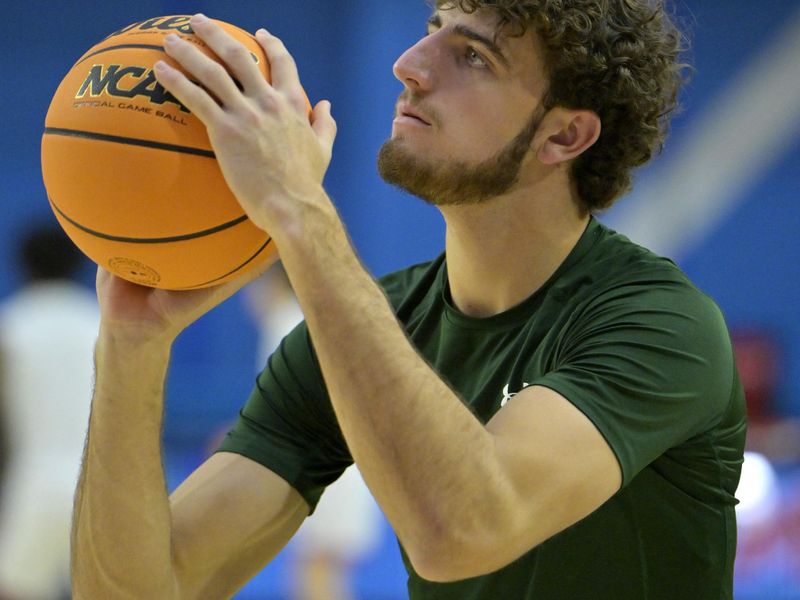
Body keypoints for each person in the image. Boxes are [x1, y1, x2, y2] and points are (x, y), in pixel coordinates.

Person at [71, 2, 747, 600]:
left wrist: (299, 210)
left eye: (473, 56)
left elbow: (464, 530)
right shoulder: (355, 333)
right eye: (432, 28)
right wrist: (132, 344)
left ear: (564, 136)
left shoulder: (663, 324)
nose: (408, 65)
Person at [242, 267, 383, 600]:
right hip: (346, 460)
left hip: (321, 464)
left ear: (272, 284)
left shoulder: (285, 321)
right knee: (322, 570)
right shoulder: (314, 318)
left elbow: (285, 407)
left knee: (315, 569)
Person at [0, 224, 98, 600]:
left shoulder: (11, 326)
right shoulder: (102, 323)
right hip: (96, 485)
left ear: (22, 265)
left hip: (32, 483)